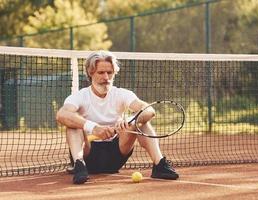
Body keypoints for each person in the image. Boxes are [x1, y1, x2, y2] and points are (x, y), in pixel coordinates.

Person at [56, 50, 179, 184]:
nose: (106, 77)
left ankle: (159, 165)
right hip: (87, 154)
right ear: (91, 73)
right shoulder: (80, 96)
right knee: (72, 125)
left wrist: (129, 120)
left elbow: (149, 110)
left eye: (110, 72)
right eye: (101, 73)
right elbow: (62, 114)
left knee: (140, 121)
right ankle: (79, 166)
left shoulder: (122, 94)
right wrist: (95, 128)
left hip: (116, 155)